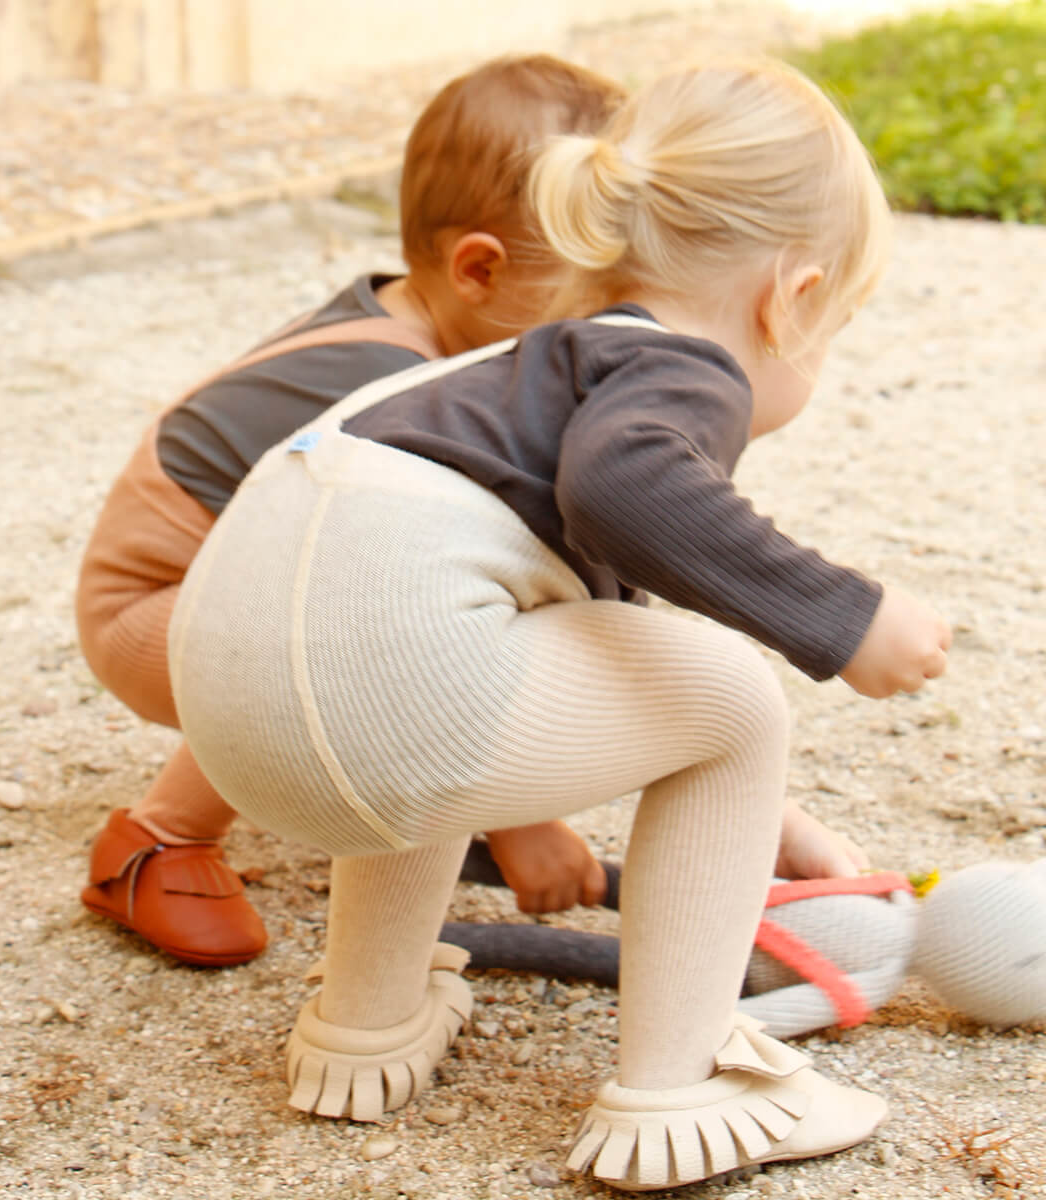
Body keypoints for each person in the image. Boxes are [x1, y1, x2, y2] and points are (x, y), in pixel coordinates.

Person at [167, 57, 952, 1190]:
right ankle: (681, 1088)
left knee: (444, 669)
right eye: (831, 331)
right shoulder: (683, 370)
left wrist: (761, 817)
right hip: (381, 710)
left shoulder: (524, 375)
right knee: (738, 699)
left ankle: (367, 1025)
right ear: (790, 299)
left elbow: (605, 624)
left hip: (241, 725)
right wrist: (848, 616)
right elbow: (630, 494)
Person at [74, 54, 629, 967]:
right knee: (360, 626)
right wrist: (524, 816)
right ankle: (155, 839)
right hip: (153, 611)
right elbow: (397, 592)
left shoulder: (436, 333)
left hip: (223, 586)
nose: (599, 341)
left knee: (398, 600)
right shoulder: (396, 388)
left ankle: (397, 784)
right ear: (480, 270)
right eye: (584, 314)